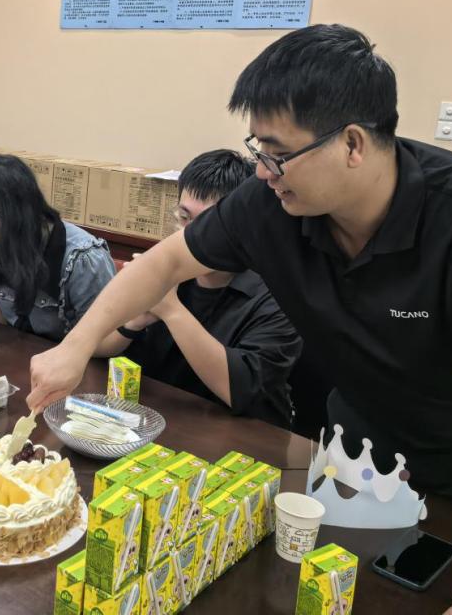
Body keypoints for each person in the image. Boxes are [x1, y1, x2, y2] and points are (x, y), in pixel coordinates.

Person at [27, 24, 452, 615]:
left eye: (277, 154)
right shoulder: (273, 201)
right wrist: (75, 348)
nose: (262, 171)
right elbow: (164, 263)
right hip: (355, 451)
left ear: (352, 144)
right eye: (257, 149)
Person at [93, 150, 301, 429]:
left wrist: (169, 309)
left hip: (242, 438)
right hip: (154, 424)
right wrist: (135, 320)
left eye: (207, 224)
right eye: (183, 217)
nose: (189, 235)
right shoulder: (164, 270)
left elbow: (243, 390)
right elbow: (96, 347)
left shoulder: (277, 295)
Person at [0, 154, 115, 340]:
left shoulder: (82, 258)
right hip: (20, 351)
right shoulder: (0, 241)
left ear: (0, 217)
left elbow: (104, 336)